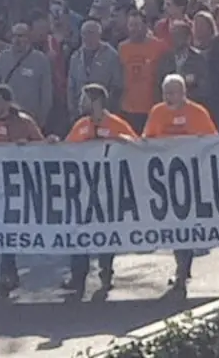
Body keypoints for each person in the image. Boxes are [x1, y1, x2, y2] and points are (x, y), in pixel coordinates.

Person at [144, 74, 218, 295]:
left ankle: (184, 269)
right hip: (165, 180)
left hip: (192, 179)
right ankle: (181, 268)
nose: (168, 97)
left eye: (173, 92)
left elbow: (212, 141)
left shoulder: (197, 113)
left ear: (183, 93)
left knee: (188, 224)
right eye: (165, 92)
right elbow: (147, 139)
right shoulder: (157, 112)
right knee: (175, 225)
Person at [63, 84, 138, 296]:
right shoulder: (81, 125)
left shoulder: (116, 124)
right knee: (79, 230)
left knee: (106, 231)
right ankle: (78, 275)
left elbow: (138, 147)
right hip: (83, 190)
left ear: (96, 101)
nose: (80, 102)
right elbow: (66, 150)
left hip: (109, 189)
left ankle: (106, 273)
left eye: (84, 98)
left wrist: (123, 141)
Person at [0, 85, 46, 295]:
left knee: (8, 229)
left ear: (7, 102)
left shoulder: (24, 122)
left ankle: (8, 273)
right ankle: (8, 272)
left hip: (16, 186)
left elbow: (41, 147)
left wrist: (29, 147)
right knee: (0, 230)